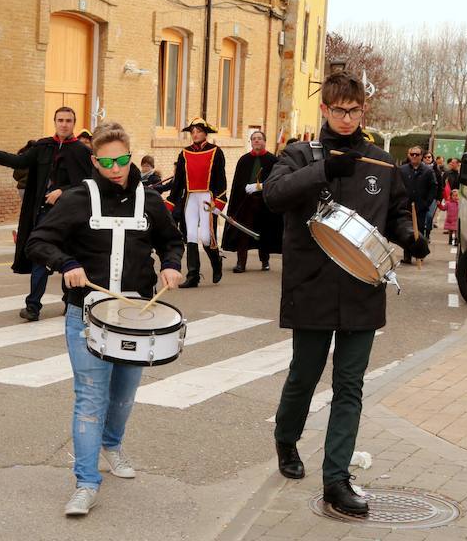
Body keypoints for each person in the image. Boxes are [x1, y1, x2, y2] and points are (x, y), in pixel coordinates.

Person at [263, 71, 429, 516]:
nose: (346, 118)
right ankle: (286, 438)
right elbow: (274, 196)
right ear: (325, 109)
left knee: (349, 385)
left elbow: (395, 212)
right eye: (339, 110)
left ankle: (336, 479)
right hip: (312, 287)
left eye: (354, 111)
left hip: (362, 288)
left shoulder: (379, 161)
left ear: (363, 111)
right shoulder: (298, 154)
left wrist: (409, 236)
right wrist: (322, 169)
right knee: (304, 375)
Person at [24, 122, 184, 516]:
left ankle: (111, 445)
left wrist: (171, 265)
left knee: (123, 396)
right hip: (87, 316)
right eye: (107, 161)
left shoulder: (148, 201)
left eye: (123, 160)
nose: (116, 168)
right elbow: (38, 240)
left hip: (136, 315)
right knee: (90, 398)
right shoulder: (78, 199)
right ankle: (85, 482)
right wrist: (67, 263)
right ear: (95, 160)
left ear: (131, 156)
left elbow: (171, 239)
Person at [0, 107, 92, 321]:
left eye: (68, 120)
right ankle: (33, 306)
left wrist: (63, 191)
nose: (64, 124)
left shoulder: (82, 151)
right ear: (55, 122)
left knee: (70, 258)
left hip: (71, 216)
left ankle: (70, 301)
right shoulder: (43, 146)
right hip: (43, 214)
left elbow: (90, 181)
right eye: (60, 120)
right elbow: (19, 162)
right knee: (41, 257)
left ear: (74, 123)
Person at [165, 117, 227, 287]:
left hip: (207, 197)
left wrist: (219, 201)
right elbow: (178, 181)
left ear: (205, 133)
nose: (195, 134)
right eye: (192, 132)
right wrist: (170, 202)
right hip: (190, 198)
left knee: (206, 238)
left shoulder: (216, 151)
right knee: (191, 235)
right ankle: (193, 276)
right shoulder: (184, 153)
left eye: (198, 131)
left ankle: (216, 262)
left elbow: (221, 179)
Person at [222, 130, 283, 272]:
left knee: (264, 231)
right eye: (254, 138)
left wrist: (259, 187)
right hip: (246, 203)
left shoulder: (272, 160)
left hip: (265, 202)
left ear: (264, 141)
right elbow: (238, 183)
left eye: (259, 138)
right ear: (251, 141)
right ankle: (241, 263)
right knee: (243, 231)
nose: (256, 141)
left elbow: (276, 181)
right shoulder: (244, 160)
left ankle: (265, 260)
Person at [398, 146, 437, 263]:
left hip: (420, 206)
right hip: (405, 206)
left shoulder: (428, 171)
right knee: (406, 231)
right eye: (412, 154)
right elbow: (397, 185)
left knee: (419, 231)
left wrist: (427, 203)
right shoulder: (402, 170)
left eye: (417, 154)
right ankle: (407, 256)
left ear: (421, 156)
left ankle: (419, 254)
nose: (414, 156)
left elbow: (433, 187)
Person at [423, 150, 444, 238]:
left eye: (429, 157)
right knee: (422, 216)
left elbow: (440, 186)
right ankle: (422, 234)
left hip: (433, 198)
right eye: (425, 157)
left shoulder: (436, 170)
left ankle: (428, 233)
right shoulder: (419, 169)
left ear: (432, 158)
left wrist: (439, 198)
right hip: (422, 196)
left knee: (429, 216)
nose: (427, 159)